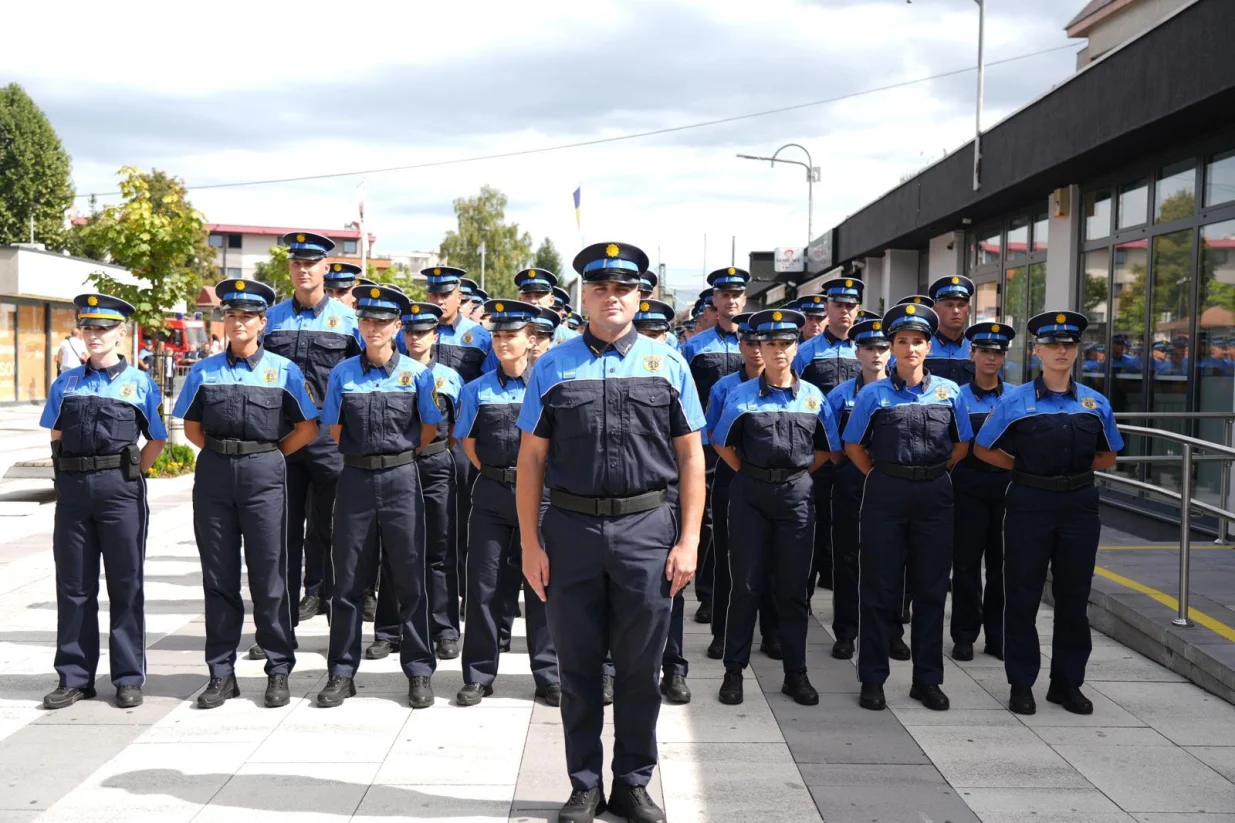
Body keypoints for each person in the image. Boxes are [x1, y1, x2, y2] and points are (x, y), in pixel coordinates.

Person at [517, 241, 705, 823]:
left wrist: (689, 540)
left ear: (639, 295)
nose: (612, 297)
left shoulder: (667, 363)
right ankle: (583, 785)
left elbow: (691, 458)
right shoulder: (553, 366)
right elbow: (531, 460)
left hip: (647, 529)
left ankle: (632, 783)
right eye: (600, 287)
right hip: (571, 530)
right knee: (576, 669)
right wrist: (529, 544)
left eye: (623, 287)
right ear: (584, 296)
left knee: (640, 667)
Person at [173, 279, 319, 709]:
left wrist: (268, 455)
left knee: (269, 577)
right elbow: (192, 427)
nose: (238, 323)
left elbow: (307, 427)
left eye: (247, 316)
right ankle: (221, 673)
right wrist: (227, 453)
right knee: (218, 578)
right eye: (231, 315)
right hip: (215, 475)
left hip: (264, 474)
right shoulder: (204, 371)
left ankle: (278, 667)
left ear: (262, 322)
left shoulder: (284, 370)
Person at [975, 311, 1123, 716]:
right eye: (1053, 344)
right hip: (1030, 504)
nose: (1061, 351)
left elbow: (1108, 454)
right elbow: (983, 448)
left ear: (1077, 351)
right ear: (1036, 352)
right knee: (1022, 596)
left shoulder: (1095, 403)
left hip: (1078, 506)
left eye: (1069, 345)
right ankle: (1021, 683)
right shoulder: (1015, 401)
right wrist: (1024, 471)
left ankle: (1066, 684)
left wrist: (1071, 476)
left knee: (1074, 597)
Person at [314, 285, 442, 709]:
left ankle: (419, 669)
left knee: (410, 577)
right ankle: (341, 671)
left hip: (402, 477)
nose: (374, 328)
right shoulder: (343, 373)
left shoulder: (417, 375)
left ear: (397, 326)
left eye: (383, 321)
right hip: (355, 479)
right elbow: (335, 429)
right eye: (367, 320)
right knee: (348, 580)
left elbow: (428, 429)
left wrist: (395, 456)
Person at [39, 294, 167, 710]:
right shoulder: (65, 384)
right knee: (74, 586)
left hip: (120, 491)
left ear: (120, 333)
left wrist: (129, 474)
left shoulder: (139, 383)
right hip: (74, 492)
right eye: (88, 327)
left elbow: (157, 439)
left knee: (126, 584)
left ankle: (128, 677)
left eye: (103, 328)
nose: (94, 335)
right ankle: (75, 677)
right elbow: (56, 435)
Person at [842, 302, 971, 713]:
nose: (910, 348)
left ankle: (927, 680)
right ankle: (873, 678)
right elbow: (853, 446)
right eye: (902, 341)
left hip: (934, 494)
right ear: (892, 347)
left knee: (931, 589)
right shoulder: (873, 394)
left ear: (928, 346)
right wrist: (885, 476)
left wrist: (932, 473)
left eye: (918, 341)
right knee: (879, 588)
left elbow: (961, 443)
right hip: (886, 493)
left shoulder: (949, 392)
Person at [711, 308, 839, 707]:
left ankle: (795, 673)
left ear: (796, 347)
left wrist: (795, 475)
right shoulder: (741, 396)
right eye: (770, 343)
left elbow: (828, 449)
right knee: (745, 586)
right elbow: (721, 442)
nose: (778, 350)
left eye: (786, 343)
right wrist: (749, 472)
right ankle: (734, 671)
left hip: (796, 496)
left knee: (793, 589)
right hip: (750, 495)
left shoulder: (813, 397)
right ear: (759, 348)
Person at [453, 299, 561, 707]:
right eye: (497, 334)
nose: (502, 342)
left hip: (544, 499)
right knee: (484, 587)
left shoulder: (549, 387)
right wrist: (501, 474)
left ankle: (549, 674)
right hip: (493, 496)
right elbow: (468, 442)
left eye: (510, 335)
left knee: (543, 586)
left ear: (531, 340)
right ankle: (479, 674)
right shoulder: (476, 390)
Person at [260, 232, 363, 657]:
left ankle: (340, 633)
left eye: (311, 263)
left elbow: (364, 376)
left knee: (337, 532)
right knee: (280, 536)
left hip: (329, 437)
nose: (304, 270)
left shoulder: (349, 321)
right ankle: (279, 632)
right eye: (297, 263)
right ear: (290, 268)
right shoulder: (271, 319)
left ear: (325, 268)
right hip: (282, 437)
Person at [374, 301, 463, 661]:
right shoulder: (391, 372)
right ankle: (389, 629)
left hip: (435, 463)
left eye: (423, 331)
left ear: (435, 335)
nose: (415, 338)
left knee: (440, 547)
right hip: (398, 466)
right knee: (394, 548)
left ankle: (444, 628)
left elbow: (457, 428)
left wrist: (434, 450)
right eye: (410, 331)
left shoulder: (450, 377)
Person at [825, 314, 910, 663]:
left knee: (894, 559)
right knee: (848, 558)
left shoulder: (904, 392)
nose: (876, 354)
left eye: (882, 348)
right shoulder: (839, 395)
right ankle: (847, 631)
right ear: (856, 351)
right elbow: (832, 445)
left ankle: (891, 630)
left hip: (893, 484)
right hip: (851, 483)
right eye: (868, 348)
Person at [702, 312, 780, 663]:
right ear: (741, 345)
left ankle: (772, 633)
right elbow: (713, 435)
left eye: (764, 343)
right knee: (726, 557)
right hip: (734, 477)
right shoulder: (724, 387)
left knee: (773, 560)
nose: (757, 350)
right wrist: (742, 469)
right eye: (750, 342)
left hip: (775, 483)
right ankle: (722, 632)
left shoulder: (788, 383)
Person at [678, 267, 749, 626]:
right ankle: (708, 593)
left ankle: (746, 591)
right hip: (707, 445)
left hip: (751, 443)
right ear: (714, 301)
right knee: (709, 520)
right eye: (724, 295)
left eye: (736, 294)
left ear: (744, 299)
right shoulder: (694, 347)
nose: (731, 300)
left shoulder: (758, 341)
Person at [633, 297, 693, 704]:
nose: (651, 340)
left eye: (657, 333)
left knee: (671, 583)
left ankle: (673, 668)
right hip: (624, 494)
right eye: (645, 333)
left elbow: (690, 451)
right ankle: (609, 668)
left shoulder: (674, 370)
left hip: (664, 492)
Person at [792, 277, 863, 597]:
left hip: (856, 456)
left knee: (851, 534)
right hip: (817, 454)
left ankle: (848, 603)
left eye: (850, 305)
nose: (844, 311)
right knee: (811, 527)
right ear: (827, 308)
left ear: (858, 310)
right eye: (838, 305)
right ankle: (802, 600)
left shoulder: (867, 349)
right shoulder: (806, 352)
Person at [950, 321, 1015, 663]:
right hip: (968, 488)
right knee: (965, 564)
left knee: (1003, 565)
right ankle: (964, 635)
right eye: (985, 351)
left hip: (1007, 488)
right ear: (971, 354)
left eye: (998, 352)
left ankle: (998, 635)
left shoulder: (1017, 396)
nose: (991, 358)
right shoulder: (955, 395)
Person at [925, 276, 976, 384]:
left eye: (961, 305)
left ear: (968, 309)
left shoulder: (977, 348)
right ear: (936, 309)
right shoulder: (922, 346)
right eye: (949, 305)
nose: (956, 311)